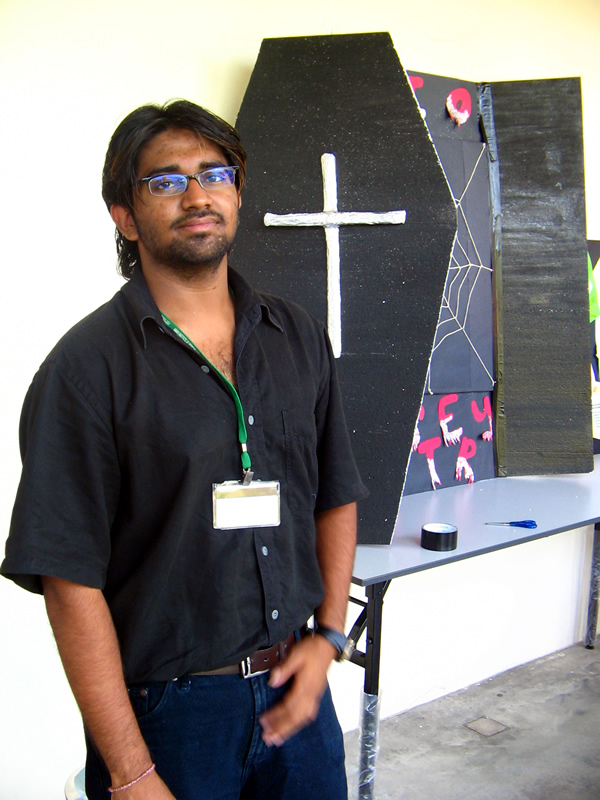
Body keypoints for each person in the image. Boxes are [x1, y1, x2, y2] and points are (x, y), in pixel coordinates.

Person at [1, 99, 367, 799]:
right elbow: (68, 581)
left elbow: (336, 492)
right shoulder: (85, 370)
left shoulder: (295, 334)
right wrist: (131, 773)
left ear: (237, 193)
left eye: (215, 173)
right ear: (125, 216)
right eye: (166, 180)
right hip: (171, 717)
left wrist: (328, 637)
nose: (197, 195)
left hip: (298, 694)